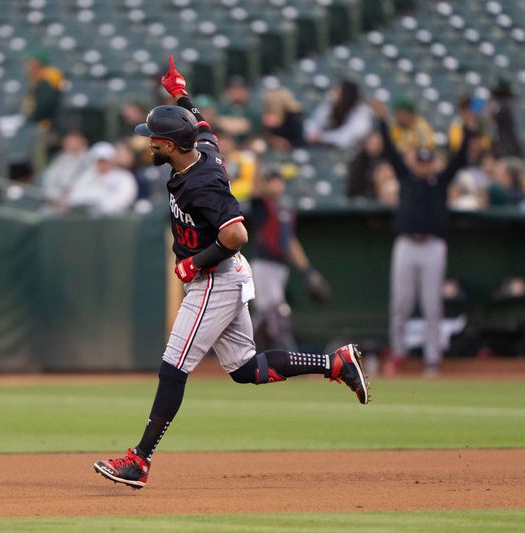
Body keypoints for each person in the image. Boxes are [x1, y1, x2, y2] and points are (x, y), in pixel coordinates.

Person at [93, 56, 370, 490]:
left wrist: (194, 262)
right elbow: (202, 126)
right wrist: (180, 93)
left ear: (168, 145)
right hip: (227, 274)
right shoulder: (200, 150)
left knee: (173, 366)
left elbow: (237, 234)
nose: (148, 144)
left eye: (153, 139)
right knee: (243, 369)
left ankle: (139, 460)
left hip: (216, 277)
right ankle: (334, 363)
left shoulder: (202, 181)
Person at [369, 98, 471, 377]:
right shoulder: (407, 178)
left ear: (433, 163)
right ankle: (399, 354)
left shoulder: (440, 181)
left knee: (431, 304)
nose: (424, 165)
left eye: (428, 161)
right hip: (406, 245)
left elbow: (461, 158)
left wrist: (467, 127)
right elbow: (390, 151)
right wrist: (382, 120)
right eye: (421, 161)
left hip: (433, 246)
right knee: (400, 303)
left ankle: (432, 359)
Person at [246, 171, 330, 351]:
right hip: (264, 265)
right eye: (273, 182)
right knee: (277, 311)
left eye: (279, 182)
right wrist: (258, 160)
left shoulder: (285, 210)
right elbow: (255, 191)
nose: (277, 185)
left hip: (280, 268)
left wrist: (308, 271)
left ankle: (243, 353)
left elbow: (291, 242)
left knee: (263, 314)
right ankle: (288, 354)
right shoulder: (262, 205)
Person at [65, 141, 138, 215]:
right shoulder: (85, 177)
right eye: (99, 160)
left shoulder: (123, 177)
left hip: (113, 220)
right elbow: (74, 198)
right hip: (84, 218)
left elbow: (123, 200)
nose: (103, 163)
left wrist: (99, 206)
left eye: (106, 160)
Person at [305, 79, 371, 150]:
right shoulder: (331, 100)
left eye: (338, 92)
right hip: (327, 142)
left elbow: (345, 137)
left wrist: (322, 137)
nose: (333, 93)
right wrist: (312, 133)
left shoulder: (361, 111)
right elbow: (315, 121)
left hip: (351, 150)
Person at [39, 130, 89, 209]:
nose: (67, 145)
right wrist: (56, 198)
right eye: (66, 142)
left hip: (79, 205)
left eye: (72, 142)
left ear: (81, 142)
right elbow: (48, 179)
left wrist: (66, 198)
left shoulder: (90, 160)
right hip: (56, 202)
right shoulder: (60, 159)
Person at [489, 79, 522, 158]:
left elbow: (491, 118)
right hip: (509, 144)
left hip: (506, 146)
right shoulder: (506, 106)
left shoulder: (502, 106)